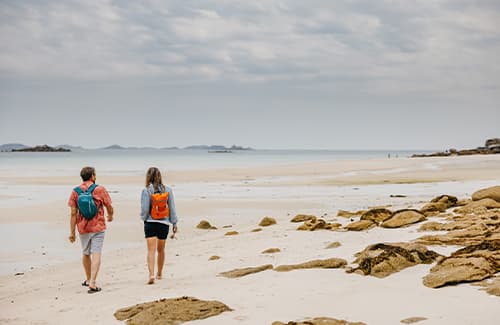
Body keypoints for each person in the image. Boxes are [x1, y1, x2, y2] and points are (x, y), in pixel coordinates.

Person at [68, 166, 114, 294]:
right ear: (93, 176)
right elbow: (109, 206)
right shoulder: (100, 189)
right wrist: (110, 215)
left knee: (86, 253)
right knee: (97, 253)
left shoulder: (75, 191)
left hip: (83, 227)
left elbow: (73, 213)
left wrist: (72, 232)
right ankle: (93, 282)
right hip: (98, 226)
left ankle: (88, 279)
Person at [140, 167, 178, 284]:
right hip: (164, 224)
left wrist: (144, 219)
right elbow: (172, 208)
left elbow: (145, 209)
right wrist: (174, 222)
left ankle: (151, 275)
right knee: (161, 250)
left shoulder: (146, 190)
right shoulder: (168, 190)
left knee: (150, 251)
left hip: (150, 223)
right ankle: (159, 274)